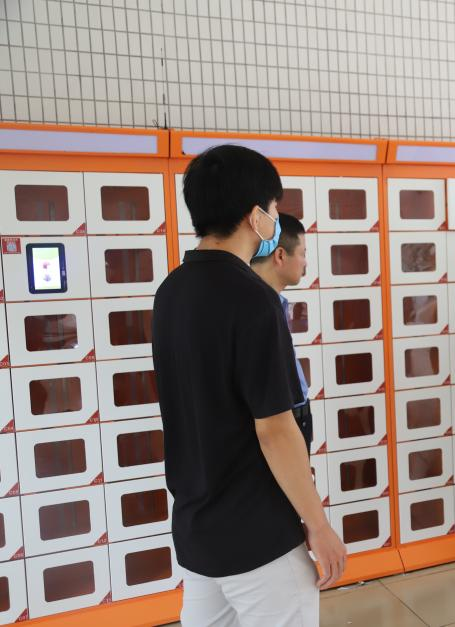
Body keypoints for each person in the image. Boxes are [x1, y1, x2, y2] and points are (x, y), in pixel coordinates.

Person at [152, 145, 345, 626]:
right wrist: (318, 525)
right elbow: (274, 429)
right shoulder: (253, 299)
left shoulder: (171, 291)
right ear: (255, 216)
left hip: (199, 533)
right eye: (274, 209)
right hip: (259, 538)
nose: (276, 220)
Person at [250, 213, 314, 453]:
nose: (305, 263)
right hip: (282, 432)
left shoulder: (273, 304)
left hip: (294, 421)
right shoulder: (258, 310)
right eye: (303, 253)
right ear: (280, 255)